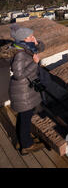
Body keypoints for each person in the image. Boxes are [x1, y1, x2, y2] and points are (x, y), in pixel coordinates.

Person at [8, 24, 45, 155]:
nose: (33, 36)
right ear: (23, 38)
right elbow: (18, 75)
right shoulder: (20, 53)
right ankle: (26, 146)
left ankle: (22, 140)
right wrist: (34, 63)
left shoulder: (24, 46)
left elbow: (39, 49)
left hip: (25, 90)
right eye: (30, 36)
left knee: (24, 117)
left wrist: (36, 43)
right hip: (23, 91)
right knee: (25, 118)